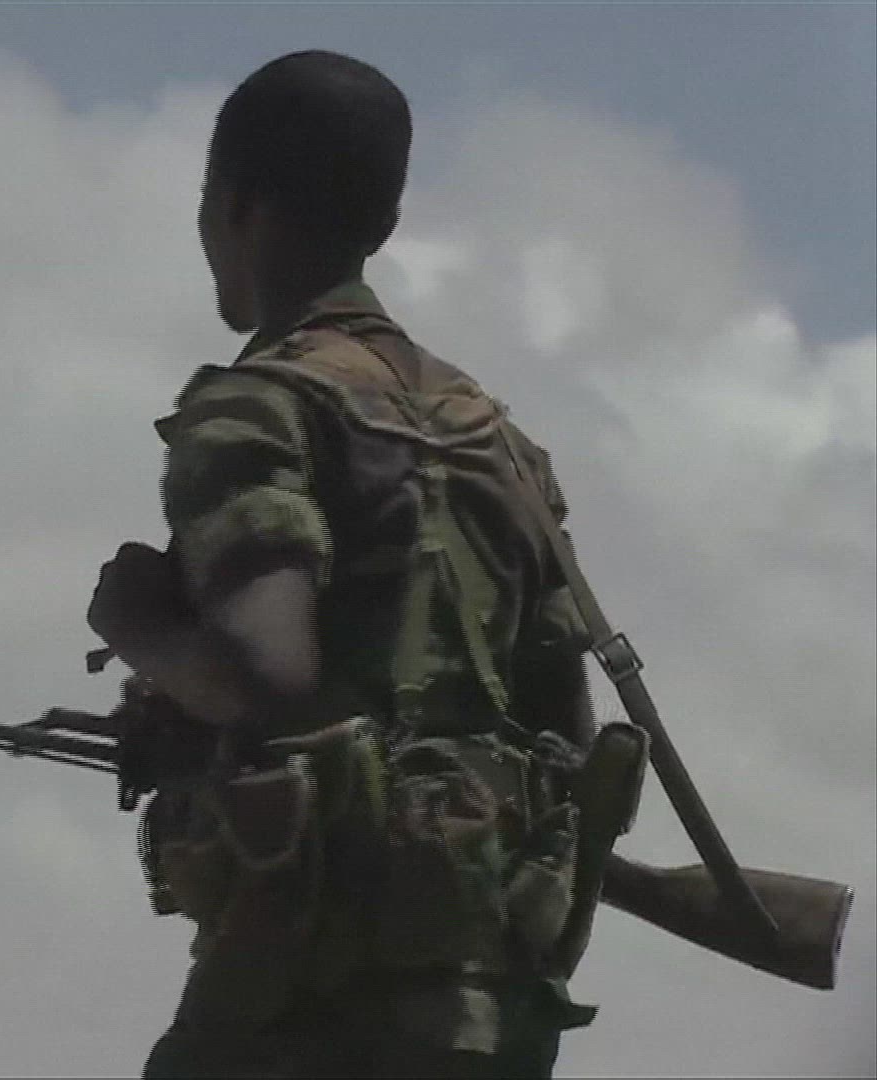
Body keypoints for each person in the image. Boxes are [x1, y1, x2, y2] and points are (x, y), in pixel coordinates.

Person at [85, 51, 602, 1078]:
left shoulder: (256, 408)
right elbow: (570, 744)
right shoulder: (496, 442)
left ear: (237, 206)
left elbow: (265, 674)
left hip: (309, 1001)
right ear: (386, 220)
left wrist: (136, 623)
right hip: (491, 1019)